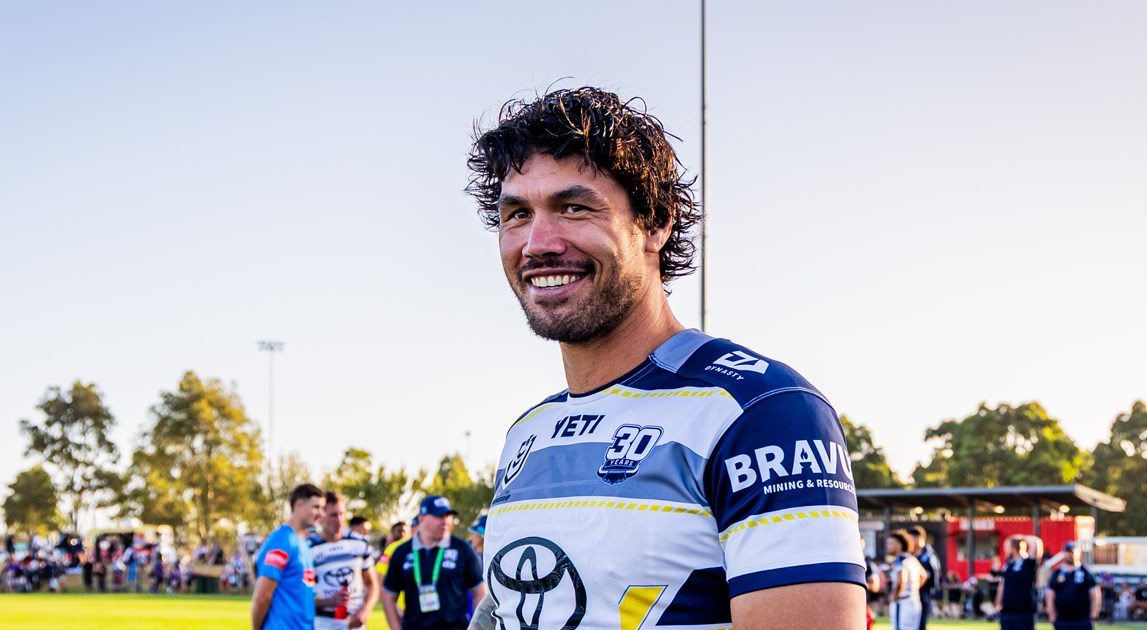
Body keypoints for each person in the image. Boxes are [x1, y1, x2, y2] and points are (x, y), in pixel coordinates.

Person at [467, 86, 868, 630]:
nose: (538, 242)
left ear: (656, 223)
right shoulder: (528, 432)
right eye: (516, 214)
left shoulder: (761, 411)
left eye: (574, 207)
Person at [381, 496, 485, 630]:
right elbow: (388, 596)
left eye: (448, 516)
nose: (445, 521)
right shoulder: (402, 552)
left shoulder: (462, 549)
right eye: (439, 516)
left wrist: (476, 626)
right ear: (421, 518)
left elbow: (480, 592)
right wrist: (396, 627)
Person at [252, 483, 325, 630]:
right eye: (316, 507)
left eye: (322, 508)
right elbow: (262, 597)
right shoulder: (281, 541)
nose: (321, 514)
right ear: (298, 506)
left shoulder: (303, 543)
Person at [309, 491, 381, 630]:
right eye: (333, 515)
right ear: (321, 516)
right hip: (323, 624)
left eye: (341, 514)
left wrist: (364, 611)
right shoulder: (309, 548)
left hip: (355, 624)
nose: (339, 520)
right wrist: (329, 601)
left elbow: (372, 584)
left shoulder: (359, 543)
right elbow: (300, 597)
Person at [1046, 543, 1100, 630]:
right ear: (1064, 553)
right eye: (1068, 552)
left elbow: (1095, 595)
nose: (1070, 555)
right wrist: (1052, 616)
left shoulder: (1086, 573)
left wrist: (1094, 614)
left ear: (1079, 553)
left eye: (1073, 552)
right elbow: (1050, 596)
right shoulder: (1056, 574)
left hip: (1082, 620)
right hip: (1062, 620)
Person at [997, 536, 1042, 630]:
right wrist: (998, 603)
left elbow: (1035, 545)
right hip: (1007, 612)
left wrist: (1021, 538)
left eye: (1007, 547)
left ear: (1013, 548)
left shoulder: (1027, 563)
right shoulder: (1008, 565)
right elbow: (1002, 585)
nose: (1005, 550)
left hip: (1023, 612)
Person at [889, 531, 926, 630]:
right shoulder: (912, 559)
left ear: (899, 545)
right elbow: (923, 575)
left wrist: (894, 596)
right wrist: (913, 589)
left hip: (903, 603)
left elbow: (901, 581)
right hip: (914, 601)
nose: (888, 546)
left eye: (891, 543)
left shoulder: (900, 560)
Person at [907, 526, 940, 629]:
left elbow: (927, 575)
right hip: (912, 595)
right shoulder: (911, 554)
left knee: (921, 624)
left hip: (923, 593)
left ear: (919, 538)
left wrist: (913, 588)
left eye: (912, 538)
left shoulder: (928, 555)